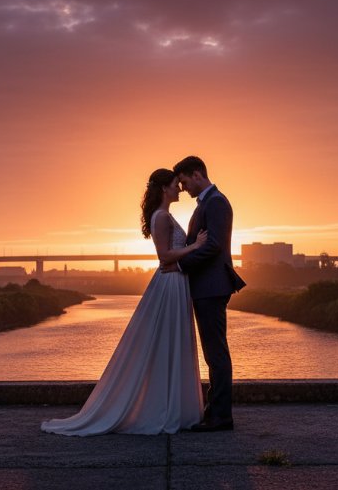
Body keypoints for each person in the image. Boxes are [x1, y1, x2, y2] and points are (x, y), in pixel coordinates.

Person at [41, 168, 206, 436]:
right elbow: (164, 256)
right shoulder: (161, 216)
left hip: (175, 281)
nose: (179, 189)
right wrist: (195, 246)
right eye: (176, 184)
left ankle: (169, 405)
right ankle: (163, 408)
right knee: (165, 342)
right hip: (170, 282)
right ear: (164, 188)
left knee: (169, 342)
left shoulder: (164, 215)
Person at [170, 155, 246, 432]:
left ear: (197, 174)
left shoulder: (216, 202)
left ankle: (221, 416)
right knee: (213, 352)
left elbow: (213, 245)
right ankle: (215, 410)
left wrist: (180, 264)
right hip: (207, 286)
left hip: (212, 286)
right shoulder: (208, 202)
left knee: (216, 353)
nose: (183, 188)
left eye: (184, 182)